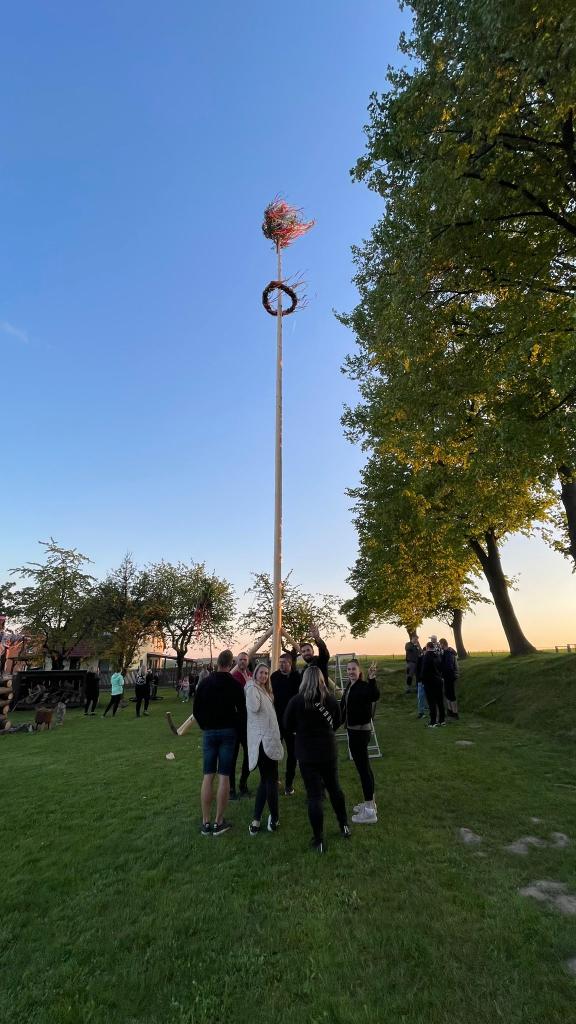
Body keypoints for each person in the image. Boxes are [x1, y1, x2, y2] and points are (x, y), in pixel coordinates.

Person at [284, 665, 350, 853]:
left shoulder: (296, 701)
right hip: (328, 751)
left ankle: (319, 839)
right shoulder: (330, 700)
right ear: (322, 679)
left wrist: (300, 731)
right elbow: (337, 720)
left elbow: (287, 724)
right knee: (335, 789)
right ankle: (344, 825)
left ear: (304, 680)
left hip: (307, 754)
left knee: (314, 796)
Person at [192, 649, 245, 836]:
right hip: (228, 733)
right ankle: (218, 822)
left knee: (208, 775)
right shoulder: (235, 684)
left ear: (217, 663)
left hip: (209, 732)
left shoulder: (205, 683)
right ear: (231, 664)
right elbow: (242, 711)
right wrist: (236, 728)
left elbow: (196, 710)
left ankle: (206, 822)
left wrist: (205, 725)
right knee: (224, 776)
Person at [245, 663, 284, 835]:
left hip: (269, 741)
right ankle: (274, 818)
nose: (264, 676)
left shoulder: (264, 691)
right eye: (261, 672)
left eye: (266, 673)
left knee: (265, 781)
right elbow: (254, 707)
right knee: (271, 781)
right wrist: (249, 685)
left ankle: (256, 819)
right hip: (263, 743)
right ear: (255, 674)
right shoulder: (252, 689)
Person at [341, 660, 380, 824]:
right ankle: (370, 802)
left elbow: (374, 695)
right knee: (365, 768)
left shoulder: (363, 686)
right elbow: (344, 707)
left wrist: (372, 679)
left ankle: (370, 812)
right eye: (349, 669)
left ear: (359, 671)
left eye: (353, 669)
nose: (351, 672)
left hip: (360, 732)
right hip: (353, 731)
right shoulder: (350, 686)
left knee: (363, 770)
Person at [271, 650, 301, 795]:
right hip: (277, 721)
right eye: (280, 663)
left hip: (292, 723)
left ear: (290, 664)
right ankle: (275, 780)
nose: (282, 665)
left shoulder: (297, 677)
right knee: (275, 752)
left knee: (292, 754)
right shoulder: (274, 677)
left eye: (284, 663)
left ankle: (289, 784)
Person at [421, 642, 445, 728]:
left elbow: (424, 670)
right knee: (440, 701)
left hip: (430, 682)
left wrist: (422, 681)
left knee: (431, 702)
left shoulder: (427, 656)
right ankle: (442, 720)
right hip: (439, 681)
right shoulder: (437, 655)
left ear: (427, 647)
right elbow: (441, 667)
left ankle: (433, 722)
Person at [440, 638, 460, 719]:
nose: (439, 646)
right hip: (447, 676)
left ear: (443, 644)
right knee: (447, 694)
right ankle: (450, 711)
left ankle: (455, 713)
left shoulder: (448, 653)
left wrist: (444, 674)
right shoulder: (446, 652)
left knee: (451, 694)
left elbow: (448, 666)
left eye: (440, 644)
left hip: (449, 676)